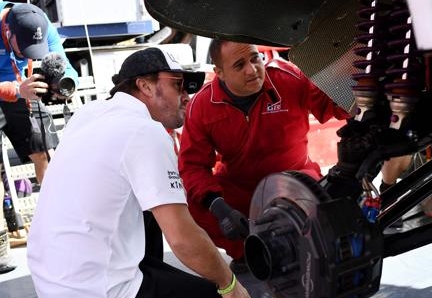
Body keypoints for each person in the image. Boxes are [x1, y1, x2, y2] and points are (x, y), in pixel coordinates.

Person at [27, 47, 250, 298]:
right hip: (95, 289)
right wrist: (230, 285)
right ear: (144, 86)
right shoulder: (144, 131)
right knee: (215, 294)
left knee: (150, 207)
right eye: (178, 85)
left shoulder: (87, 115)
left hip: (51, 280)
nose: (186, 96)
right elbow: (182, 238)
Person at [178, 39, 351, 273]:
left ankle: (301, 248)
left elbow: (335, 105)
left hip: (294, 182)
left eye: (254, 58)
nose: (252, 69)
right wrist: (219, 206)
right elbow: (192, 167)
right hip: (240, 193)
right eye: (239, 65)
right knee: (194, 206)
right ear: (219, 73)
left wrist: (350, 76)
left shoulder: (289, 78)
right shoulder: (201, 105)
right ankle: (249, 253)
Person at [0, 2, 78, 184]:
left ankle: (53, 208)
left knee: (45, 150)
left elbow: (64, 64)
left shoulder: (40, 21)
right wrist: (18, 90)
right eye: (25, 48)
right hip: (17, 89)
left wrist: (67, 85)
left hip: (20, 89)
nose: (29, 55)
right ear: (8, 32)